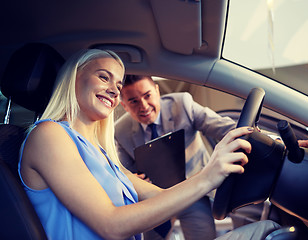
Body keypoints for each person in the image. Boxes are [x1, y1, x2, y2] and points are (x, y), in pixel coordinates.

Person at [18, 48, 281, 240]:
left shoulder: (100, 152)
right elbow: (111, 225)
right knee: (271, 235)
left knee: (268, 229)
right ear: (74, 78)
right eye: (103, 77)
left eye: (117, 83)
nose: (113, 89)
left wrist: (270, 144)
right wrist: (208, 176)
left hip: (191, 200)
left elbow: (160, 196)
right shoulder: (49, 135)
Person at [114, 75, 237, 239]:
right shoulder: (120, 131)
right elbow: (123, 174)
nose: (143, 106)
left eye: (147, 95)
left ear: (157, 91)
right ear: (124, 105)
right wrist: (135, 181)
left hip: (193, 190)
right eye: (133, 101)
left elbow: (225, 128)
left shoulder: (182, 104)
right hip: (155, 199)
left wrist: (260, 137)